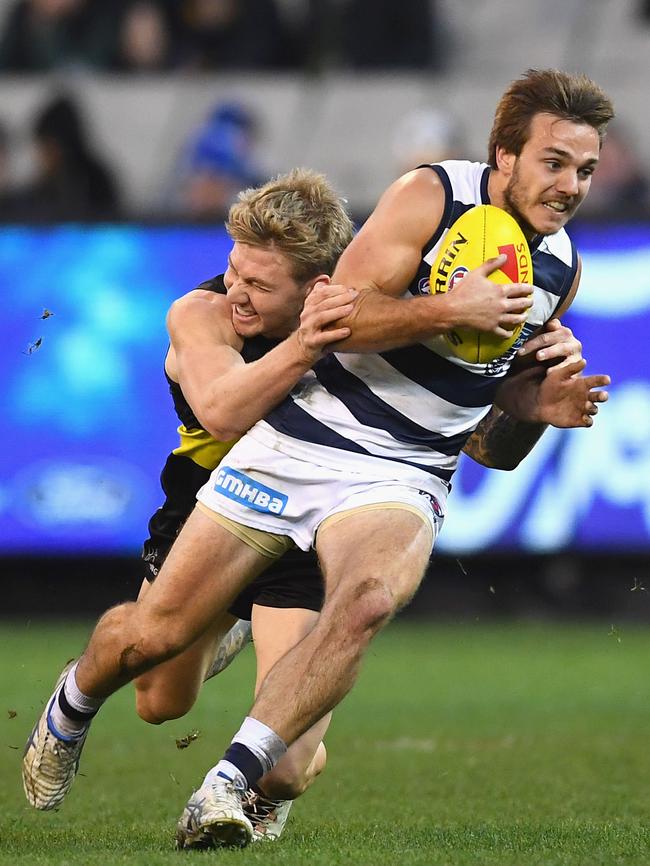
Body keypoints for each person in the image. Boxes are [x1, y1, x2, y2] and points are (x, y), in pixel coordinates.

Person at [23, 69, 612, 848]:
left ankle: (224, 784)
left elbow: (487, 444)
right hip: (300, 442)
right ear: (504, 154)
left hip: (402, 478)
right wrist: (451, 306)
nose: (571, 185)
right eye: (554, 163)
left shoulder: (561, 271)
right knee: (154, 654)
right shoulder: (431, 197)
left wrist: (538, 411)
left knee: (362, 611)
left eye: (586, 170)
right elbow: (341, 318)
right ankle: (72, 702)